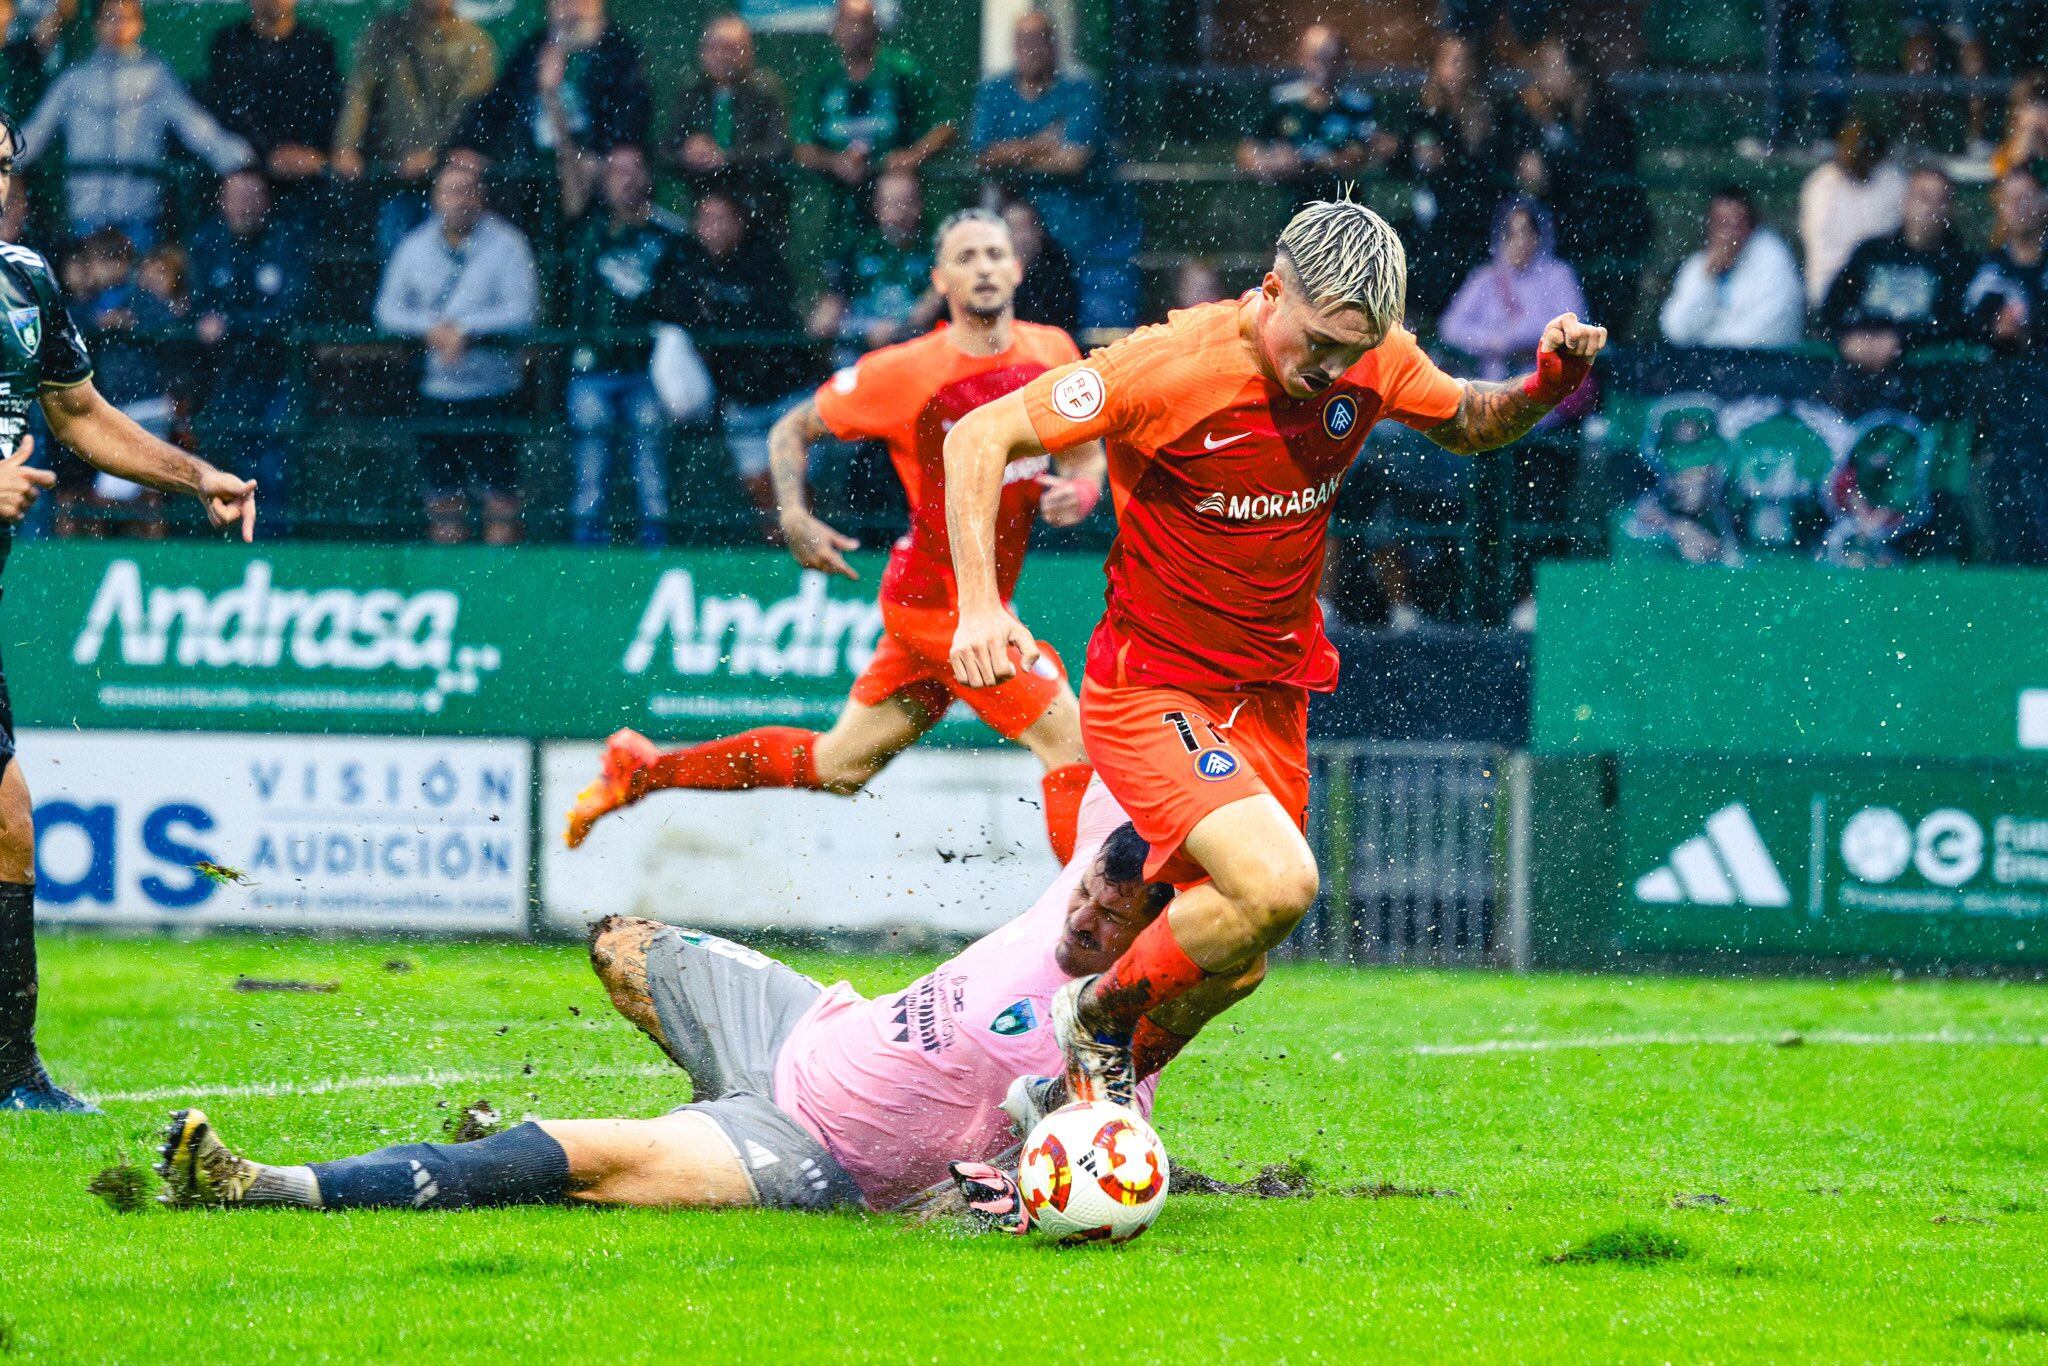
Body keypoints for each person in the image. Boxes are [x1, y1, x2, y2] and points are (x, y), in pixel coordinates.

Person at [941, 196, 1605, 1104]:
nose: (1331, 371)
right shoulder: (1166, 368)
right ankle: (1092, 1027)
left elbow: (1470, 421)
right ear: (1269, 291)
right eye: (1318, 343)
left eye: (1351, 352)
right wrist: (980, 606)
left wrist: (1546, 387)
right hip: (1152, 685)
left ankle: (1066, 1108)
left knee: (1236, 956)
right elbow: (980, 435)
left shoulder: (1370, 355)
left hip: (1270, 694)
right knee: (1278, 884)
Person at [158, 790, 1261, 1218]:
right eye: (1084, 897)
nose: (1082, 924)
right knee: (620, 946)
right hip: (802, 1023)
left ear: (1156, 938)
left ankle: (272, 1188)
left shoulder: (1115, 1044)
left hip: (810, 1149)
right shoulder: (1091, 866)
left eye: (1112, 923)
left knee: (586, 1162)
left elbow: (1250, 937)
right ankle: (705, 1101)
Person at [569, 207, 1102, 864]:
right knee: (1071, 745)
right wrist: (792, 512)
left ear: (1018, 267)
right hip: (940, 603)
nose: (984, 268)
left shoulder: (1054, 351)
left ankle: (642, 771)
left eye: (994, 254)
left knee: (838, 764)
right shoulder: (904, 370)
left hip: (971, 602)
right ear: (939, 279)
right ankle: (1096, 943)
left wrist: (1079, 493)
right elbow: (789, 428)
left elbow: (1084, 454)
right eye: (965, 258)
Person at [0, 112, 257, 1112]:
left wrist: (197, 477)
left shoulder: (23, 280)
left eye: (5, 163)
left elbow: (78, 413)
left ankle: (13, 1073)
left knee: (9, 825)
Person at [374, 158, 538, 545]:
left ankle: (500, 589)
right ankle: (450, 588)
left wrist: (467, 330)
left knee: (501, 501)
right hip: (438, 391)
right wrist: (431, 331)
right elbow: (387, 310)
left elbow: (523, 310)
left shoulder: (509, 245)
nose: (458, 200)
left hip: (494, 391)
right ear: (435, 198)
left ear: (481, 197)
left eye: (466, 191)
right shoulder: (413, 247)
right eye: (450, 191)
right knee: (443, 501)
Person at [18, 0, 254, 246]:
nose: (118, 26)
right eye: (110, 18)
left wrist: (243, 161)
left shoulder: (157, 77)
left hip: (140, 221)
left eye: (127, 18)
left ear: (140, 24)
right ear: (96, 25)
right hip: (84, 220)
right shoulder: (73, 80)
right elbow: (35, 133)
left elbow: (197, 129)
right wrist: (6, 157)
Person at [970, 9, 1138, 330]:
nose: (1031, 49)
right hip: (1027, 244)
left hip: (1090, 238)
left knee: (1098, 337)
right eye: (1023, 41)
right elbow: (983, 157)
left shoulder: (1080, 90)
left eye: (1039, 40)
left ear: (1055, 46)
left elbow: (1072, 161)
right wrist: (1041, 143)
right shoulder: (995, 91)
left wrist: (1011, 152)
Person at [563, 145, 693, 547]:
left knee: (650, 453)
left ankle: (655, 542)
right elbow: (569, 179)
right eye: (616, 170)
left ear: (648, 177)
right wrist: (553, 101)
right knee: (591, 456)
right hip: (591, 368)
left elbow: (684, 303)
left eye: (634, 169)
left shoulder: (669, 233)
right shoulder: (587, 226)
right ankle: (588, 546)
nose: (626, 178)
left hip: (645, 370)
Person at [659, 190, 814, 517]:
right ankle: (776, 554)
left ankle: (813, 559)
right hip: (740, 399)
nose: (714, 228)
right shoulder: (688, 267)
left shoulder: (763, 260)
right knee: (760, 490)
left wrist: (723, 318)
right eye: (706, 220)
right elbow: (676, 316)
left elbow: (773, 322)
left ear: (740, 222)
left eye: (722, 219)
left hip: (786, 391)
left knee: (798, 485)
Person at [448, 0, 651, 223]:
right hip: (529, 165)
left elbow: (630, 110)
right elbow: (498, 102)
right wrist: (468, 143)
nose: (568, 9)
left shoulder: (617, 52)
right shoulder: (534, 48)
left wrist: (607, 149)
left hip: (589, 162)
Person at [331, 0, 497, 256]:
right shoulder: (384, 33)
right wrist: (346, 147)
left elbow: (470, 113)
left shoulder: (474, 42)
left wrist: (436, 155)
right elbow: (359, 95)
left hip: (451, 181)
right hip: (393, 180)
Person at [188, 169, 306, 530]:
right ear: (222, 202)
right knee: (223, 468)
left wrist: (234, 326)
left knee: (273, 471)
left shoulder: (285, 243)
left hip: (277, 376)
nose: (245, 206)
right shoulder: (206, 243)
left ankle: (273, 553)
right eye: (236, 197)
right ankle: (227, 559)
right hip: (222, 379)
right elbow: (196, 309)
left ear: (267, 202)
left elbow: (293, 310)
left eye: (253, 196)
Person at [792, 0, 952, 241]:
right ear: (834, 29)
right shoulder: (821, 81)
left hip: (898, 209)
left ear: (876, 27)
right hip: (838, 213)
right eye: (848, 23)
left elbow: (945, 127)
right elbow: (801, 148)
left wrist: (913, 155)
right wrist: (836, 162)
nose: (856, 31)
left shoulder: (903, 72)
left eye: (863, 22)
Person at [1966, 165, 2048, 562]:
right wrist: (1996, 326)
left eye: (2027, 196)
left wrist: (2032, 326)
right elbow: (1967, 320)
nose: (2019, 206)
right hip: (2004, 403)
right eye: (2009, 197)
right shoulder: (1989, 267)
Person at [1402, 33, 1512, 316]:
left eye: (1463, 61)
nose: (1458, 69)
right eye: (1451, 61)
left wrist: (1449, 157)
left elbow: (1492, 163)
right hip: (1438, 213)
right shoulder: (1425, 112)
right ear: (1437, 67)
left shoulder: (1490, 113)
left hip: (1475, 212)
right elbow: (1413, 155)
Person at [1821, 164, 1972, 371]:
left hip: (1924, 374)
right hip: (1855, 367)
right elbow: (1832, 306)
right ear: (1906, 201)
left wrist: (1902, 340)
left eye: (1941, 200)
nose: (1932, 208)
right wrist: (1847, 338)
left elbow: (1958, 324)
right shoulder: (1872, 252)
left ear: (1950, 208)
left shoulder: (1960, 263)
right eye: (1924, 198)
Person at [661, 13, 789, 237]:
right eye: (714, 47)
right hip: (699, 209)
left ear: (749, 53)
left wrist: (726, 157)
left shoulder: (765, 93)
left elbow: (779, 150)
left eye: (731, 48)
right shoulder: (692, 93)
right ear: (702, 52)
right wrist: (688, 154)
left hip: (755, 210)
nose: (722, 55)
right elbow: (665, 151)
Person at [1236, 24, 1397, 195]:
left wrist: (1361, 156)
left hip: (1343, 203)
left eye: (1332, 58)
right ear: (1303, 58)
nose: (1324, 66)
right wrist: (1269, 162)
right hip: (1294, 204)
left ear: (1343, 61)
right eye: (1316, 57)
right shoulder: (1283, 100)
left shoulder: (1359, 104)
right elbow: (1247, 150)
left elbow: (1380, 148)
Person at [202, 0, 339, 195]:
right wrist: (266, 155)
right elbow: (227, 110)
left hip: (311, 177)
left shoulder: (318, 44)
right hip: (247, 174)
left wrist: (311, 153)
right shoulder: (229, 43)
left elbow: (329, 107)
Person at [1658, 185, 1807, 349]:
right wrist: (1707, 277)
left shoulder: (1772, 255)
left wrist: (1712, 346)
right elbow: (1676, 331)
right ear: (1709, 226)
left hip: (1762, 364)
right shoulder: (1699, 264)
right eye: (1721, 223)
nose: (1729, 233)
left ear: (1751, 225)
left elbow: (1771, 330)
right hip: (1707, 361)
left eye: (1736, 223)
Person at [808, 165, 930, 358]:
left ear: (920, 205)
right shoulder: (855, 250)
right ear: (876, 208)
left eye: (908, 202)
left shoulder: (935, 252)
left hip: (914, 357)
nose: (900, 212)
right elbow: (829, 311)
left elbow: (924, 318)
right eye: (891, 203)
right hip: (856, 357)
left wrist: (895, 330)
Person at [1800, 117, 1907, 308]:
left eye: (1862, 150)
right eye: (1848, 148)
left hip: (1880, 294)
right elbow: (1817, 248)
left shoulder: (1894, 182)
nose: (1853, 155)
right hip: (1826, 291)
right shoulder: (1821, 184)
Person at [1002, 196, 1078, 337]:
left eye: (1025, 228)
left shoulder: (1056, 269)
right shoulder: (992, 272)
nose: (1020, 236)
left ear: (1039, 232)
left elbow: (1060, 320)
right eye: (1012, 228)